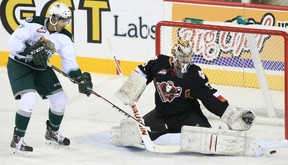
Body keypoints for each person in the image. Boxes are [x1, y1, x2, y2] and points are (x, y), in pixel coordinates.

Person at [114, 39, 255, 142]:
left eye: (187, 56)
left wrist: (230, 114)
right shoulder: (160, 63)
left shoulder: (194, 74)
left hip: (188, 116)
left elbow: (210, 96)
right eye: (182, 56)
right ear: (174, 55)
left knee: (209, 140)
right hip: (161, 115)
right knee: (134, 135)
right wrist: (130, 89)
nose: (185, 60)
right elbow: (144, 70)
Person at [7, 2, 93, 152]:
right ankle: (17, 139)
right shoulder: (33, 23)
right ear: (53, 18)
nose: (65, 24)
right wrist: (30, 51)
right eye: (62, 20)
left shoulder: (65, 36)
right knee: (29, 98)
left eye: (67, 21)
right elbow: (13, 42)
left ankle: (52, 132)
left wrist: (79, 78)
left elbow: (69, 60)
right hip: (19, 64)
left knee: (61, 99)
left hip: (40, 67)